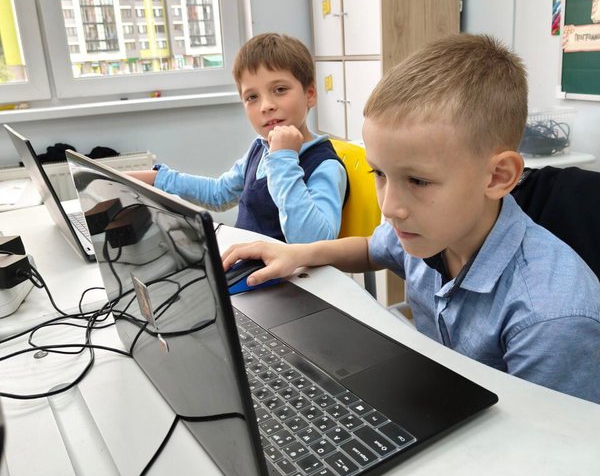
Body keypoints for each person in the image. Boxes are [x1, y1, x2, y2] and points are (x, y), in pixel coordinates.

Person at [222, 33, 600, 403]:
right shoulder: (429, 230)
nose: (389, 207)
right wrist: (298, 254)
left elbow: (552, 436)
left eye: (418, 181)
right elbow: (371, 248)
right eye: (379, 174)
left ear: (498, 177)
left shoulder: (549, 318)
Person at [130, 33, 348, 243]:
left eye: (280, 89)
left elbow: (312, 241)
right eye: (252, 97)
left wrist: (283, 159)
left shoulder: (324, 165)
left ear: (310, 94)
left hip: (281, 269)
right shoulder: (260, 148)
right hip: (245, 261)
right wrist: (158, 179)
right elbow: (218, 194)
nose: (266, 106)